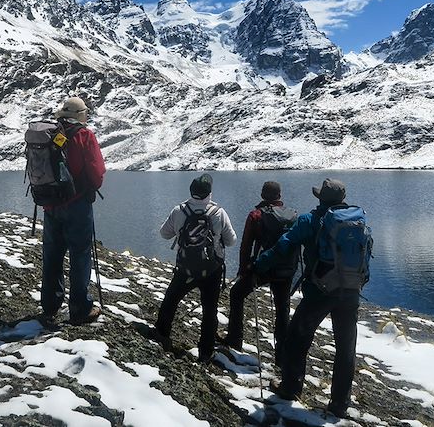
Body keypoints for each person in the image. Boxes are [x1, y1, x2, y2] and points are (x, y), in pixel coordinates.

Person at [254, 178, 367, 419]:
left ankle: (290, 388)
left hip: (321, 290)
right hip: (350, 290)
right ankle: (339, 403)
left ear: (321, 198)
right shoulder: (356, 220)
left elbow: (284, 244)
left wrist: (260, 263)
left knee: (297, 338)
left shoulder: (309, 220)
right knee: (346, 348)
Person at [155, 174, 237, 362]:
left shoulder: (179, 210)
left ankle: (161, 335)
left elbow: (164, 234)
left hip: (185, 268)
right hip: (212, 270)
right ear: (209, 193)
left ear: (191, 190)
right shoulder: (218, 212)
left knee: (171, 300)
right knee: (210, 310)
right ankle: (206, 352)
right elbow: (231, 241)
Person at [40, 97, 106, 325]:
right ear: (80, 114)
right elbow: (97, 172)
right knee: (80, 256)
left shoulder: (49, 134)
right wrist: (89, 187)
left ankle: (49, 307)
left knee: (52, 256)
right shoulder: (83, 135)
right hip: (77, 205)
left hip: (50, 205)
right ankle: (80, 308)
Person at [224, 181, 298, 367]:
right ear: (279, 195)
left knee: (236, 294)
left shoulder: (256, 215)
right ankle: (282, 357)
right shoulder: (292, 215)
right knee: (283, 309)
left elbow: (246, 246)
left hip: (262, 268)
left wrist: (243, 270)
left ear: (263, 195)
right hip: (286, 270)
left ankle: (234, 339)